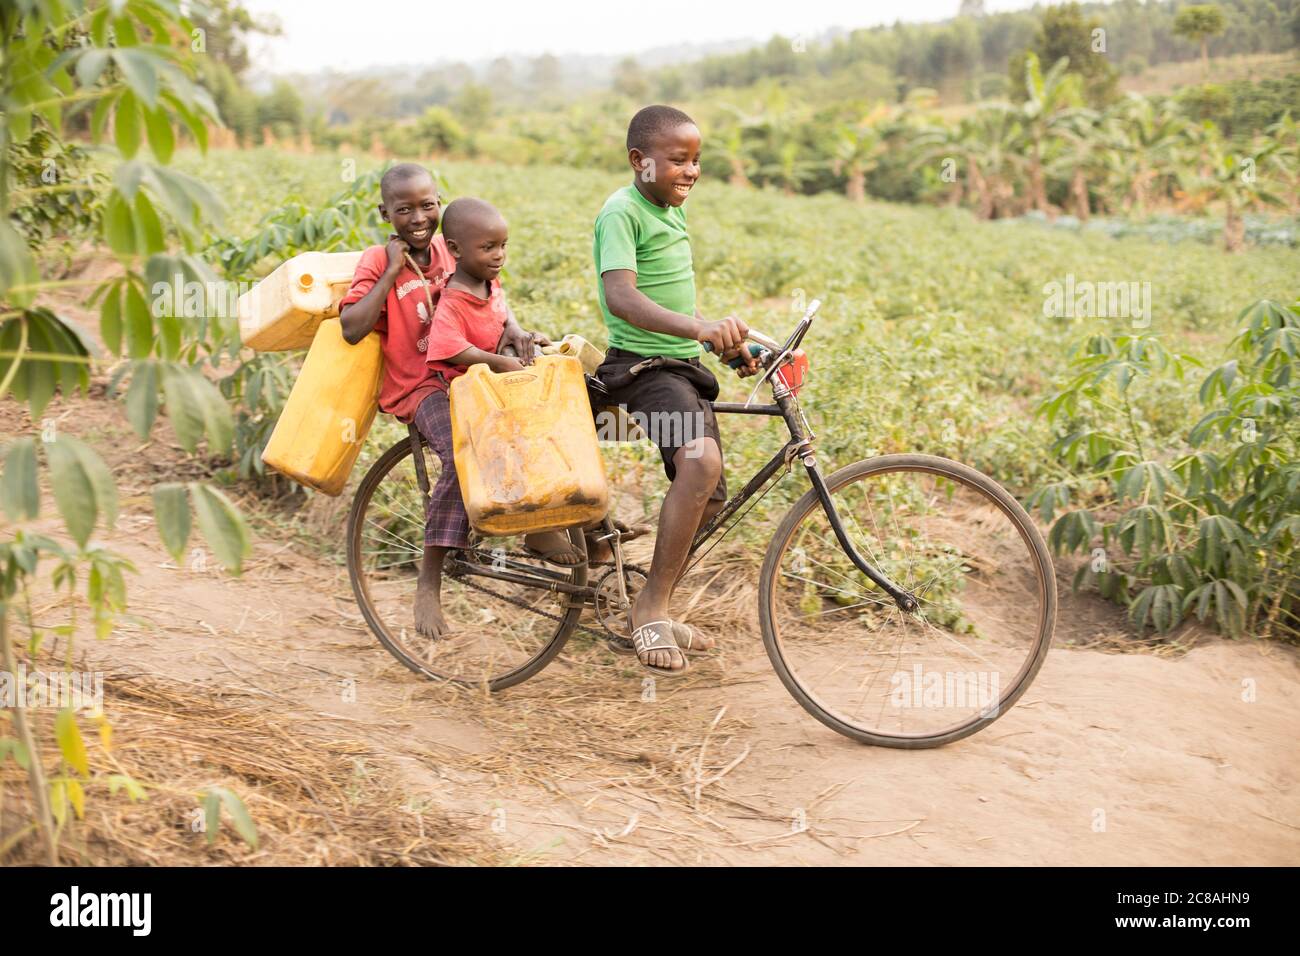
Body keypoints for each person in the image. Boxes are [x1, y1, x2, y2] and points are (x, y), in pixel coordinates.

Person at [338, 167, 572, 641]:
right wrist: (390, 271)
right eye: (404, 210)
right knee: (464, 449)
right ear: (386, 214)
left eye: (427, 205)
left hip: (471, 375)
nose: (418, 217)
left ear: (440, 204)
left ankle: (540, 522)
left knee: (534, 421)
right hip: (420, 387)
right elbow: (351, 327)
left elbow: (491, 295)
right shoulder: (375, 261)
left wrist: (514, 328)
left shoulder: (456, 245)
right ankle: (429, 577)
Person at [591, 105, 760, 676]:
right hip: (643, 367)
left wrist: (726, 343)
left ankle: (650, 598)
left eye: (696, 160)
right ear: (640, 162)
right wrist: (698, 329)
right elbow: (624, 299)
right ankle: (652, 608)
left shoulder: (669, 209)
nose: (691, 171)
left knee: (710, 496)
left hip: (681, 366)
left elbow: (674, 299)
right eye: (678, 160)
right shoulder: (622, 211)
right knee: (699, 461)